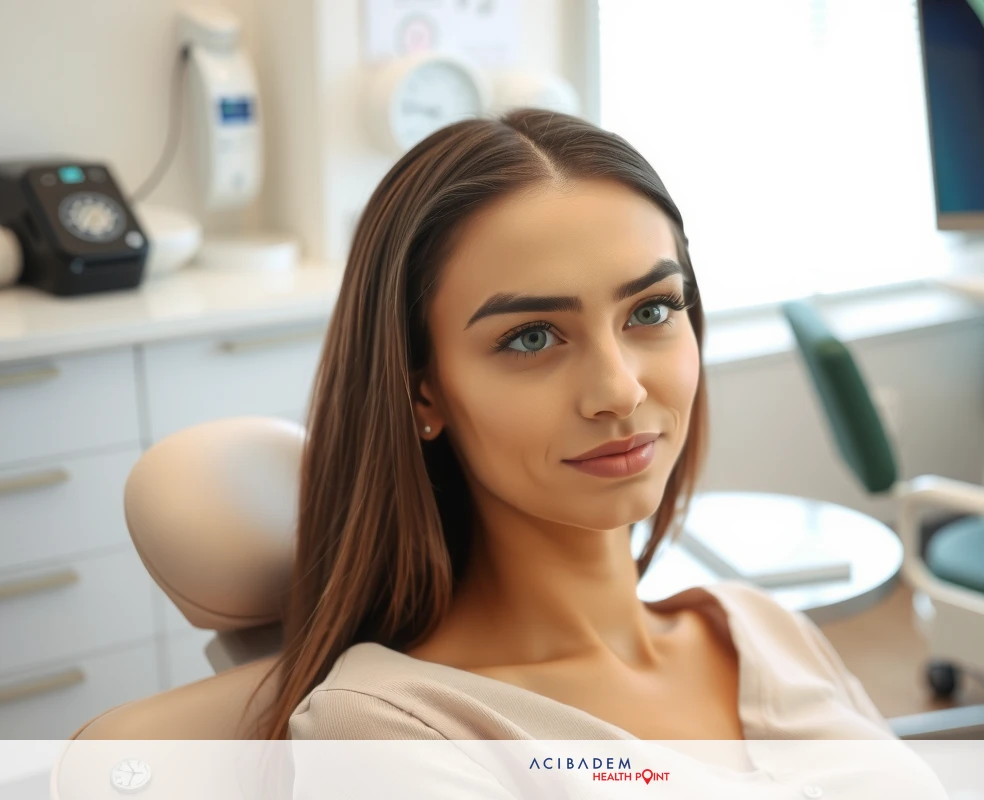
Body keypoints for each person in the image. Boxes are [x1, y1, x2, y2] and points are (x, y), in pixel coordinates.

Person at [253, 109, 899, 751]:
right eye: (531, 338)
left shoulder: (763, 629)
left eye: (651, 309)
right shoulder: (394, 730)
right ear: (422, 390)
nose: (620, 390)